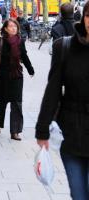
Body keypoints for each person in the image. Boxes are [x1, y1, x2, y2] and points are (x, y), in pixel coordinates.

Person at [35, 1, 89, 199]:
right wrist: (42, 130)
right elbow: (53, 91)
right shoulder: (64, 47)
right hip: (72, 133)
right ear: (83, 18)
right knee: (79, 193)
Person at [0, 19, 35, 141]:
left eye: (15, 26)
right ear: (5, 29)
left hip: (16, 76)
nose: (13, 28)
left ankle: (15, 131)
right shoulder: (0, 41)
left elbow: (24, 56)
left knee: (17, 103)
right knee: (0, 102)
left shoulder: (20, 41)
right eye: (11, 26)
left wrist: (30, 69)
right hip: (2, 76)